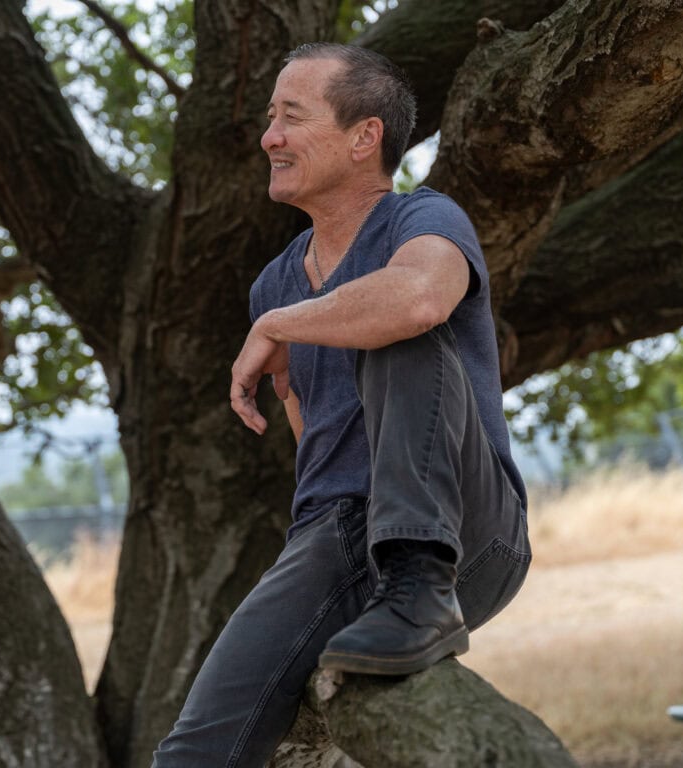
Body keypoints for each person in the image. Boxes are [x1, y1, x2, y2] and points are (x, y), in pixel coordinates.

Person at [152, 42, 530, 767]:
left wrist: (278, 325)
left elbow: (417, 299)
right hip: (333, 535)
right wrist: (282, 319)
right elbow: (315, 441)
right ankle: (383, 602)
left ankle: (421, 591)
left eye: (291, 117)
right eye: (270, 119)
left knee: (398, 326)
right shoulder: (274, 282)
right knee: (193, 752)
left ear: (365, 137)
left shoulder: (425, 219)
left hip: (466, 527)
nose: (270, 137)